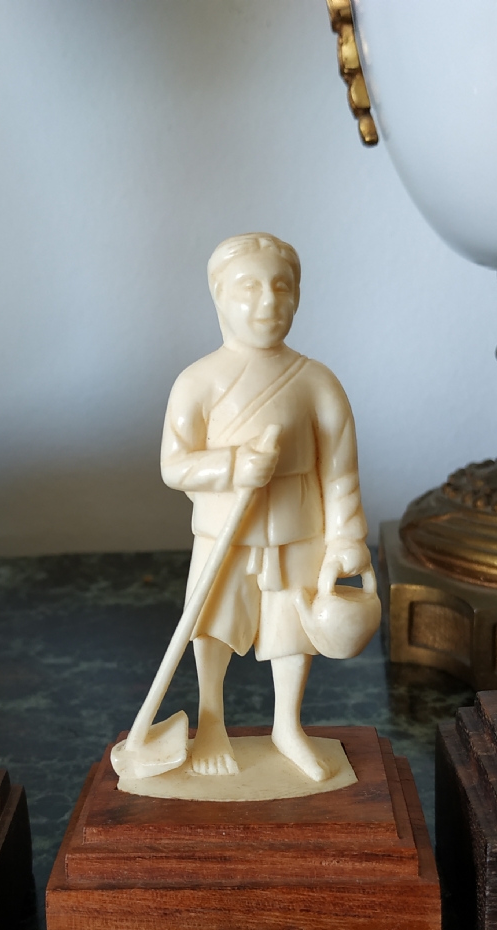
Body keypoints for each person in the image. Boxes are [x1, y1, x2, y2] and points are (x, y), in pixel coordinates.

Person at [160, 233, 370, 781]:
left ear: (297, 295)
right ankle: (211, 721)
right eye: (248, 288)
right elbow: (175, 465)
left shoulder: (317, 381)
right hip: (223, 531)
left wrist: (346, 536)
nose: (268, 302)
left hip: (299, 526)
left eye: (281, 287)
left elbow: (340, 469)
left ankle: (287, 725)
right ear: (218, 295)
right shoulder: (197, 381)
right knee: (211, 622)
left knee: (291, 625)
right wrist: (231, 465)